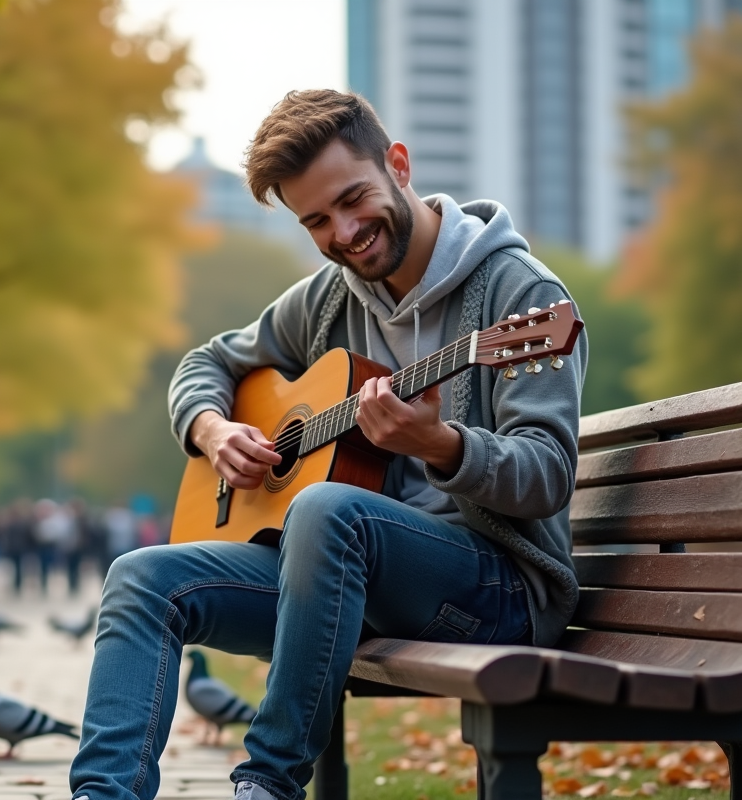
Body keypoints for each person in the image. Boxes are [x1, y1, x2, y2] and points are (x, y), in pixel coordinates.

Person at [69, 89, 587, 800]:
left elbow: (548, 475)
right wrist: (213, 429)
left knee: (324, 509)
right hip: (340, 583)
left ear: (398, 165)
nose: (343, 232)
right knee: (141, 579)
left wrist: (441, 445)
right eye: (316, 220)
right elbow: (206, 364)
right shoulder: (328, 299)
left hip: (494, 589)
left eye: (353, 200)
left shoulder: (518, 296)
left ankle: (266, 786)